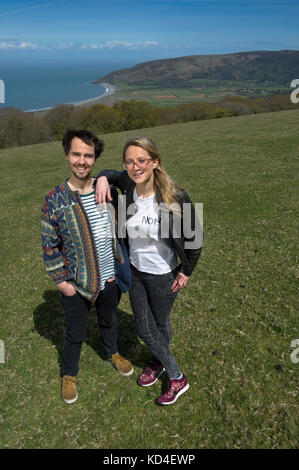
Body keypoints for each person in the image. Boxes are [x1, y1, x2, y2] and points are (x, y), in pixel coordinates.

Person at [95, 136, 202, 405]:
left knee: (151, 327)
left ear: (155, 162)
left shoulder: (174, 196)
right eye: (129, 161)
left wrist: (186, 271)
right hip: (135, 271)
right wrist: (102, 179)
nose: (135, 166)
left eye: (142, 160)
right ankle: (159, 361)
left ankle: (177, 377)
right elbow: (109, 174)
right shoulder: (129, 185)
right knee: (153, 325)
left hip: (163, 274)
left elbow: (195, 239)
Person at [41, 129, 133, 405]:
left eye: (88, 155)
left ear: (95, 159)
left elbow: (134, 180)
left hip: (110, 276)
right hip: (77, 283)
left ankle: (112, 353)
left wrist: (106, 177)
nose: (82, 161)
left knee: (109, 320)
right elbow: (49, 244)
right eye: (76, 154)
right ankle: (69, 374)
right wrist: (61, 282)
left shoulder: (106, 190)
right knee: (75, 332)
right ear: (67, 155)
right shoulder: (54, 199)